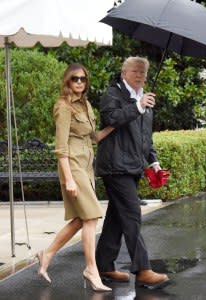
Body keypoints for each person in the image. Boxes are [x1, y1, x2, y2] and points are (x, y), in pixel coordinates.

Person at [37, 63, 113, 292]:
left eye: (83, 79)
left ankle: (47, 254)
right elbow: (61, 148)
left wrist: (119, 122)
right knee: (91, 216)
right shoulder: (63, 107)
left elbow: (95, 136)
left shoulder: (86, 105)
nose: (80, 82)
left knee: (82, 218)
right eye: (75, 79)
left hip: (86, 166)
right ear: (67, 81)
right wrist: (69, 179)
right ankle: (91, 269)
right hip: (72, 166)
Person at [95, 57, 170, 289]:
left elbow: (146, 137)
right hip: (115, 166)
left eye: (143, 72)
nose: (140, 76)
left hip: (133, 167)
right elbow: (111, 118)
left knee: (117, 218)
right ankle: (143, 269)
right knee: (132, 214)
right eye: (135, 71)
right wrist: (137, 106)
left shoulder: (145, 98)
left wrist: (153, 161)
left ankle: (104, 266)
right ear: (124, 72)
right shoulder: (113, 94)